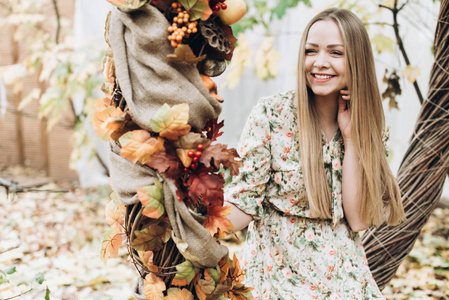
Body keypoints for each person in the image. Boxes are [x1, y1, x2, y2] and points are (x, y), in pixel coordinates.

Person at [224, 8, 406, 299]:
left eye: (336, 53)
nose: (319, 63)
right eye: (311, 51)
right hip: (276, 270)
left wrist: (352, 138)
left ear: (356, 60)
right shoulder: (272, 114)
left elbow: (357, 219)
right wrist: (190, 226)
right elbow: (245, 203)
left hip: (342, 274)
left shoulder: (370, 126)